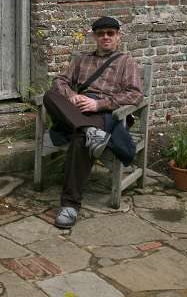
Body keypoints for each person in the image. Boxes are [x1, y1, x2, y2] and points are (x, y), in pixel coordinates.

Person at [43, 16, 142, 229]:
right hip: (77, 108)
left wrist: (99, 105)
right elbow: (60, 81)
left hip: (104, 112)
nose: (105, 37)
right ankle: (89, 130)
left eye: (110, 33)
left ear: (118, 36)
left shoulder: (126, 62)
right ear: (94, 36)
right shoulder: (82, 59)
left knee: (81, 140)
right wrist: (71, 96)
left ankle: (69, 205)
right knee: (50, 95)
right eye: (101, 33)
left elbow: (134, 95)